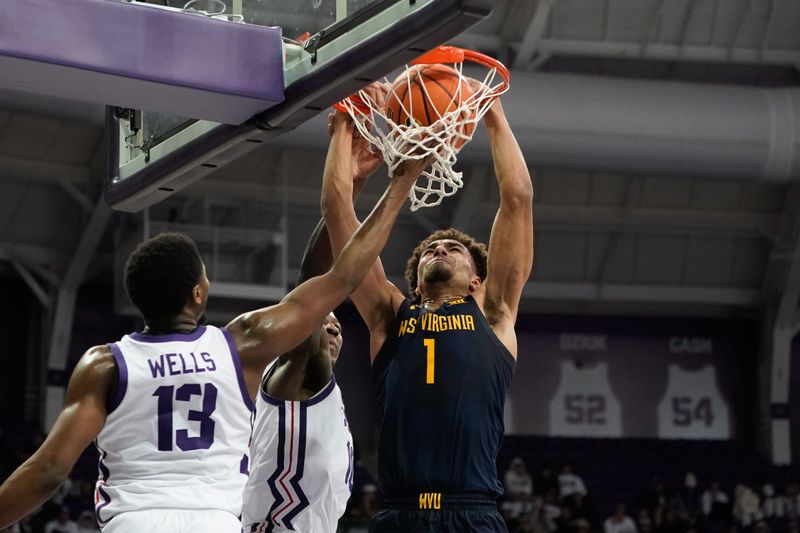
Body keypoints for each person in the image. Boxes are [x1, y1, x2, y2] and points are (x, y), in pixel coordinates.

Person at [0, 128, 433, 531]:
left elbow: (50, 471)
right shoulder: (241, 343)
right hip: (216, 522)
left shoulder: (104, 364)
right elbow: (341, 276)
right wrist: (397, 184)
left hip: (136, 521)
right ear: (198, 294)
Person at [322, 81, 533, 531]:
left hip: (472, 512)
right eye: (432, 248)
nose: (440, 247)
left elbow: (517, 200)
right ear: (414, 283)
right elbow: (338, 214)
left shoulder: (494, 315)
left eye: (453, 250)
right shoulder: (390, 316)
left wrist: (490, 110)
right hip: (399, 513)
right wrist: (343, 125)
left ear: (477, 279)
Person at [241, 116, 384, 533]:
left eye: (339, 324)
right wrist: (351, 188)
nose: (335, 327)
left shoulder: (319, 389)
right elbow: (314, 281)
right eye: (326, 321)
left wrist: (352, 192)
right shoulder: (295, 373)